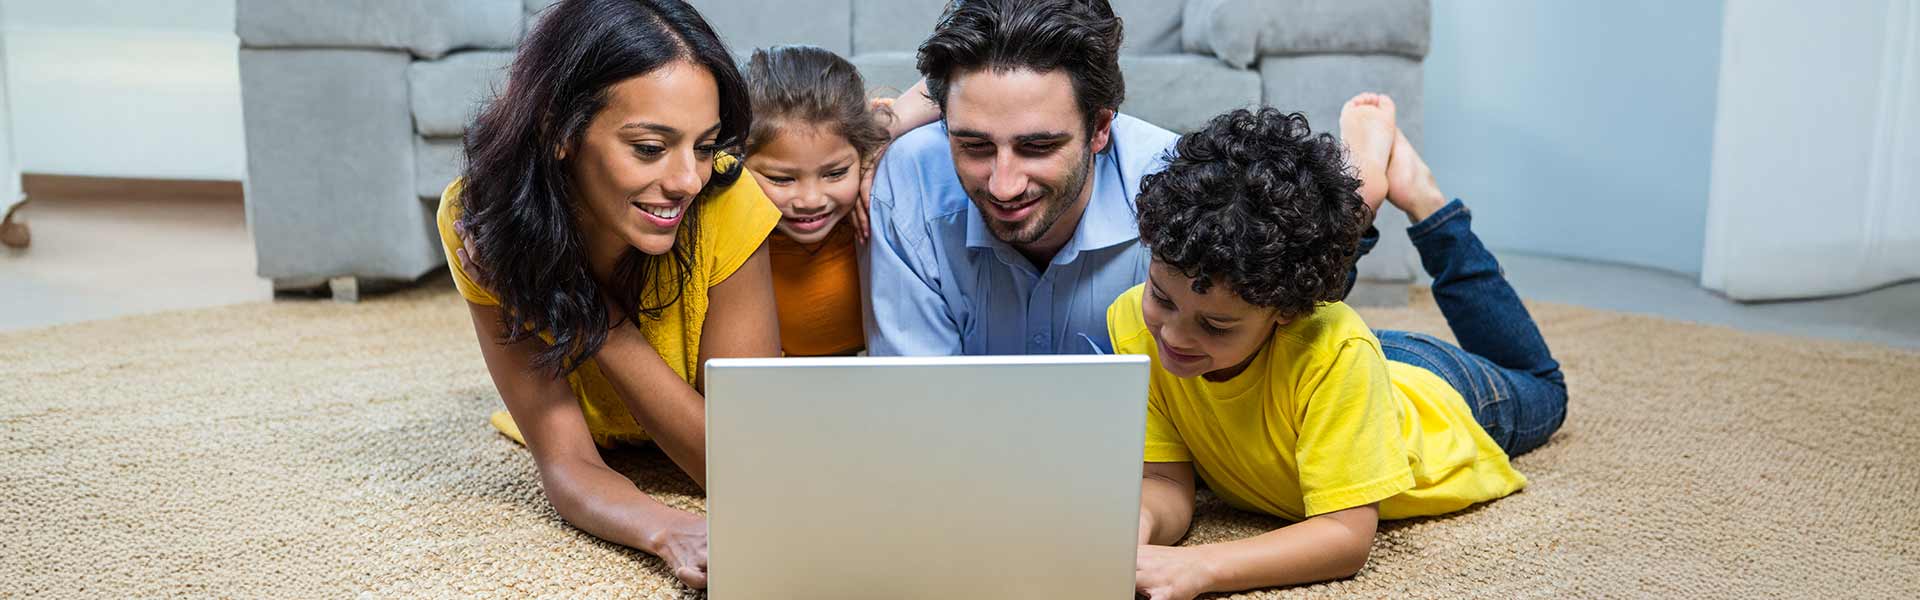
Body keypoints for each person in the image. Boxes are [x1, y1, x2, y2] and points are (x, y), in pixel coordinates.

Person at [1111, 98, 1569, 599]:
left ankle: (1425, 202)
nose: (1173, 336)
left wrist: (1200, 567)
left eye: (1216, 326)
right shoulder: (1135, 322)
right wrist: (1134, 529)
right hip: (1317, 371)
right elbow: (1165, 480)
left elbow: (1344, 538)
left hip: (1434, 392)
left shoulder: (1335, 351)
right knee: (1285, 278)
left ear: (1284, 311)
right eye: (1160, 296)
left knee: (1545, 388)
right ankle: (1360, 192)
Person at [437, 0, 780, 589]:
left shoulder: (726, 199)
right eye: (650, 148)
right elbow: (566, 462)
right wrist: (666, 528)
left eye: (704, 145)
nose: (687, 180)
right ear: (559, 131)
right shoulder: (484, 222)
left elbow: (746, 466)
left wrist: (600, 326)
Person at [862, 0, 1179, 356]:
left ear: (1100, 128)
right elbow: (916, 401)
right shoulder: (910, 181)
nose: (1004, 187)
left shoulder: (1178, 189)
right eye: (975, 145)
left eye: (1038, 146)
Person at [740, 45, 891, 356]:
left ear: (865, 156)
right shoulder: (728, 230)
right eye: (782, 179)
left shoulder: (880, 204)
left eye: (835, 174)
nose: (810, 200)